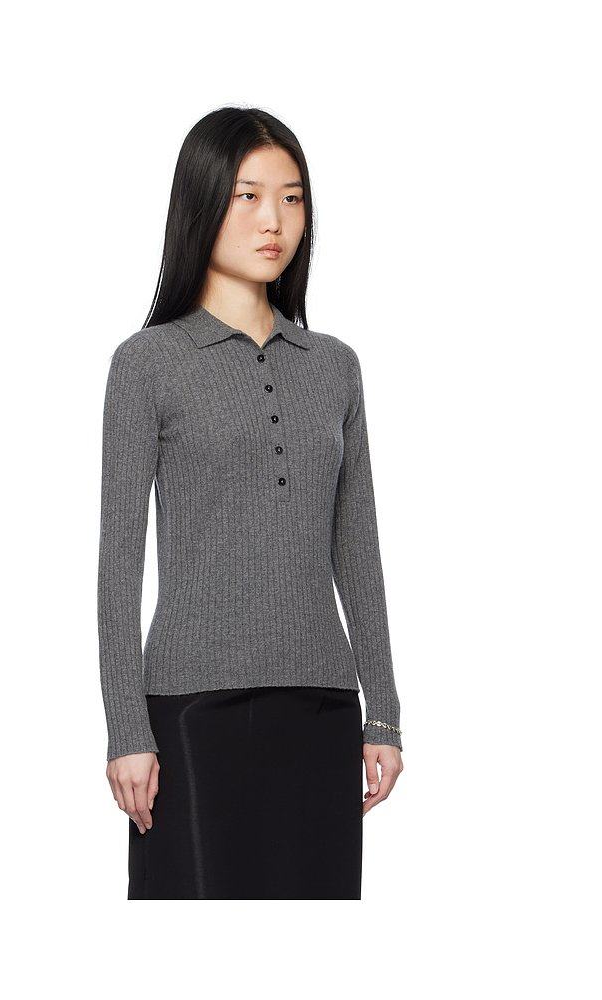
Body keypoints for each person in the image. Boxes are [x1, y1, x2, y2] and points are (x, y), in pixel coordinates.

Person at [97, 106, 404, 900]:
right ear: (202, 203)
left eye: (293, 198)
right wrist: (128, 729)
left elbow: (357, 548)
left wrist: (383, 715)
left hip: (322, 707)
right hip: (191, 710)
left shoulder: (335, 366)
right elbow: (117, 564)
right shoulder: (147, 363)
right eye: (249, 196)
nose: (275, 220)